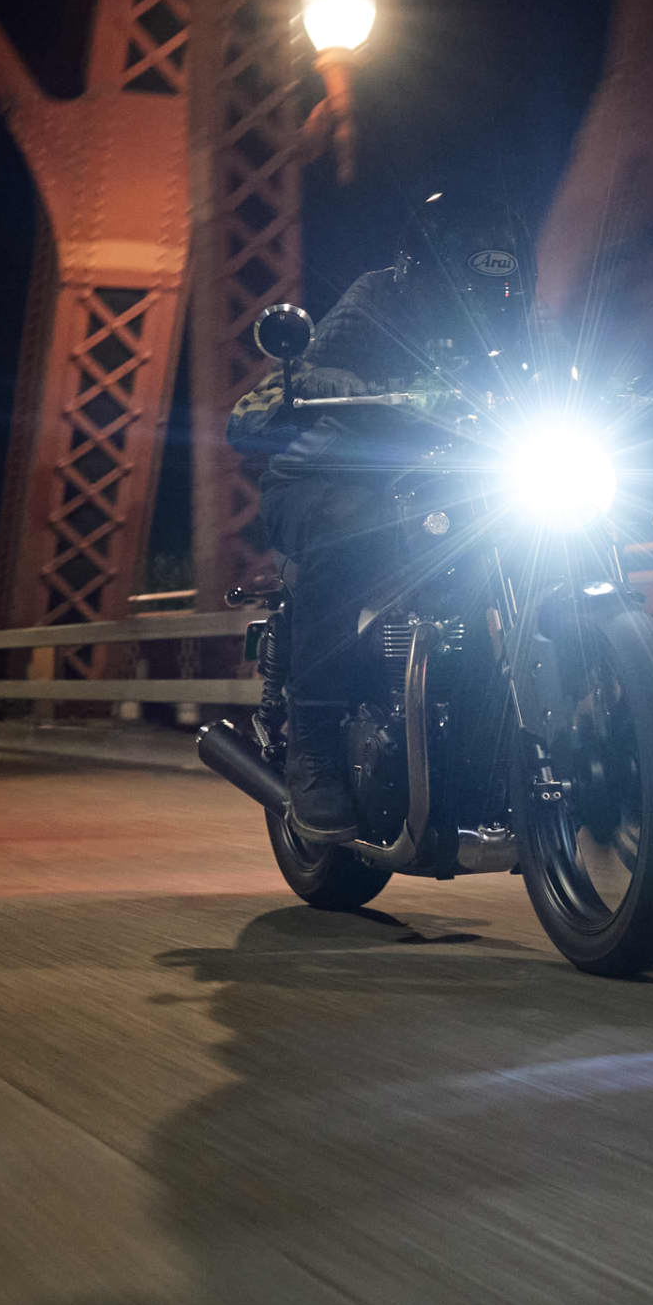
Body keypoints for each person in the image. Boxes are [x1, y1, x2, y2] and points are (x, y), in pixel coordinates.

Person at [231, 191, 534, 841]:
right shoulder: (375, 302)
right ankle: (313, 744)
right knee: (349, 528)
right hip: (322, 478)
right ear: (423, 271)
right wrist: (320, 387)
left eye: (497, 289)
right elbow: (285, 385)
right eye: (468, 288)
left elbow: (559, 378)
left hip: (437, 494)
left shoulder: (517, 328)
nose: (483, 304)